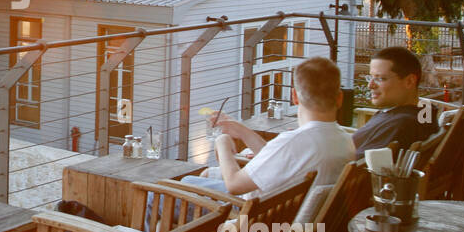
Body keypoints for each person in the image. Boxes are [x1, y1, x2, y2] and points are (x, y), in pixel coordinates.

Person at [184, 57, 355, 200]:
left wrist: (221, 143)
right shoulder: (345, 141)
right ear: (340, 98)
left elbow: (234, 185)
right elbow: (279, 156)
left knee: (174, 188)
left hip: (245, 220)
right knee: (198, 179)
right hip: (289, 222)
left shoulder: (294, 142)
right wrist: (243, 131)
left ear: (294, 97)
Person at [351, 47, 438, 154]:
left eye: (380, 78)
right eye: (370, 77)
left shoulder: (401, 125)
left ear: (409, 81)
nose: (370, 85)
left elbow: (351, 165)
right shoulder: (424, 112)